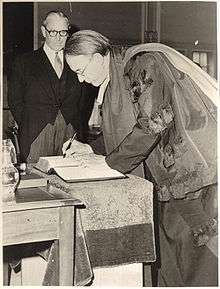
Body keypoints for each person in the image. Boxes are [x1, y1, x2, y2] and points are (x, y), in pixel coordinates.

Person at [63, 30, 217, 286]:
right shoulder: (117, 75)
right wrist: (91, 148)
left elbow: (152, 124)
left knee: (195, 252)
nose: (80, 79)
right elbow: (126, 130)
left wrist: (111, 163)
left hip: (188, 173)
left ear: (99, 55)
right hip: (167, 175)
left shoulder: (144, 63)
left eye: (81, 70)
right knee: (170, 253)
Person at [8, 11, 97, 164]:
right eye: (53, 32)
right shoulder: (24, 62)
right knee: (37, 180)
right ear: (44, 31)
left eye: (63, 32)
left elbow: (84, 98)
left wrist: (76, 123)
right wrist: (30, 124)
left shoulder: (77, 61)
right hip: (36, 133)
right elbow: (15, 100)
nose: (58, 37)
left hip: (71, 131)